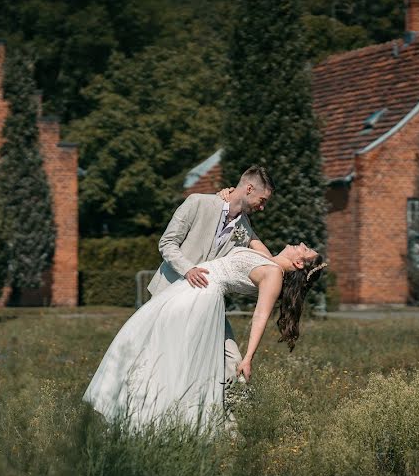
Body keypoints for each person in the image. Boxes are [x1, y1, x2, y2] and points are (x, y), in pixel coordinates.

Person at [82, 242, 326, 431]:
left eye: (304, 249)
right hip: (191, 288)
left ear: (298, 264)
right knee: (150, 344)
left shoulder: (273, 275)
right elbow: (247, 229)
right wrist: (227, 196)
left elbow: (260, 316)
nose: (299, 245)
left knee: (172, 356)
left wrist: (248, 357)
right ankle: (129, 407)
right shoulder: (267, 258)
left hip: (202, 296)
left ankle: (157, 417)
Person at [147, 166, 274, 389]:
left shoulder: (244, 227)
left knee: (233, 360)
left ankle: (221, 416)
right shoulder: (198, 202)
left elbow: (268, 260)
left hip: (205, 303)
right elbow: (167, 243)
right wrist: (188, 269)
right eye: (262, 200)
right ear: (249, 188)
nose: (262, 208)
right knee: (160, 361)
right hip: (168, 295)